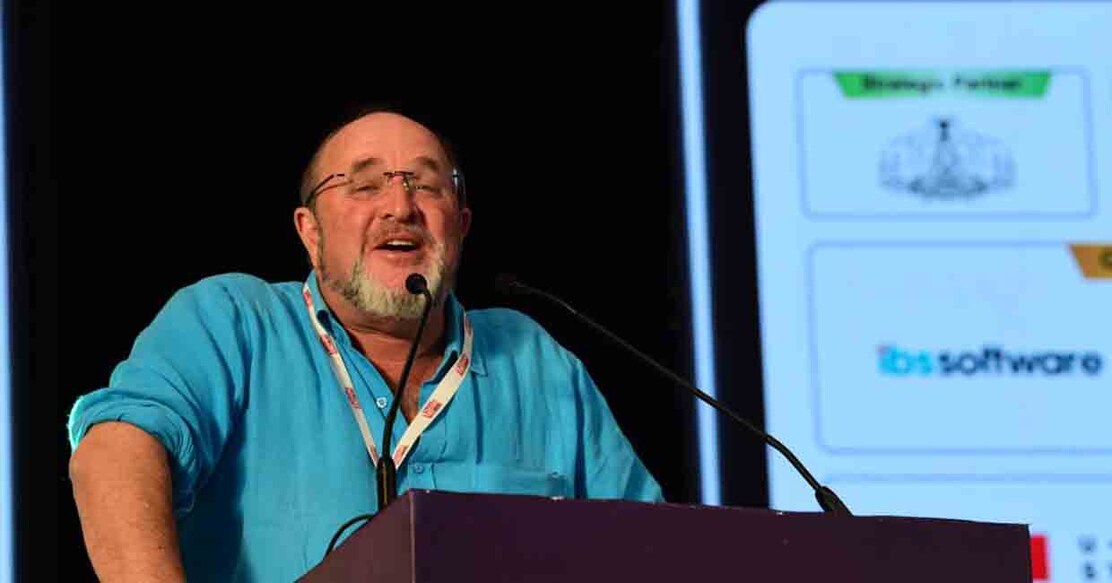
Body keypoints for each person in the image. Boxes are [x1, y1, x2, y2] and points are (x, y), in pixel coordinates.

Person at [66, 107, 664, 582]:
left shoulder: (537, 362)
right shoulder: (232, 320)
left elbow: (652, 549)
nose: (400, 207)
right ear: (310, 231)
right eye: (363, 185)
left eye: (427, 185)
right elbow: (116, 449)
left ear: (460, 226)